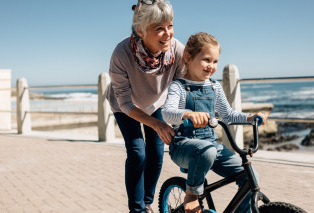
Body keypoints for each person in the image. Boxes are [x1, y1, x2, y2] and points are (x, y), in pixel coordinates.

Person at [161, 32, 267, 213]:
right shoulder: (178, 86)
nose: (211, 66)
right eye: (206, 60)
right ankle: (192, 194)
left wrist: (250, 118)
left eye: (215, 61)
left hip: (212, 146)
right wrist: (187, 114)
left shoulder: (214, 86)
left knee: (250, 177)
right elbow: (167, 113)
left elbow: (228, 115)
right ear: (188, 57)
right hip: (183, 145)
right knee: (206, 152)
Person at [106, 0, 184, 212]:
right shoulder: (121, 53)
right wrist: (157, 125)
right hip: (126, 105)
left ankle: (147, 203)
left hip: (156, 102)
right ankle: (137, 209)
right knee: (138, 152)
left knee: (157, 153)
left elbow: (183, 88)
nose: (167, 33)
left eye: (170, 25)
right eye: (159, 28)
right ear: (140, 30)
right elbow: (124, 102)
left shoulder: (177, 50)